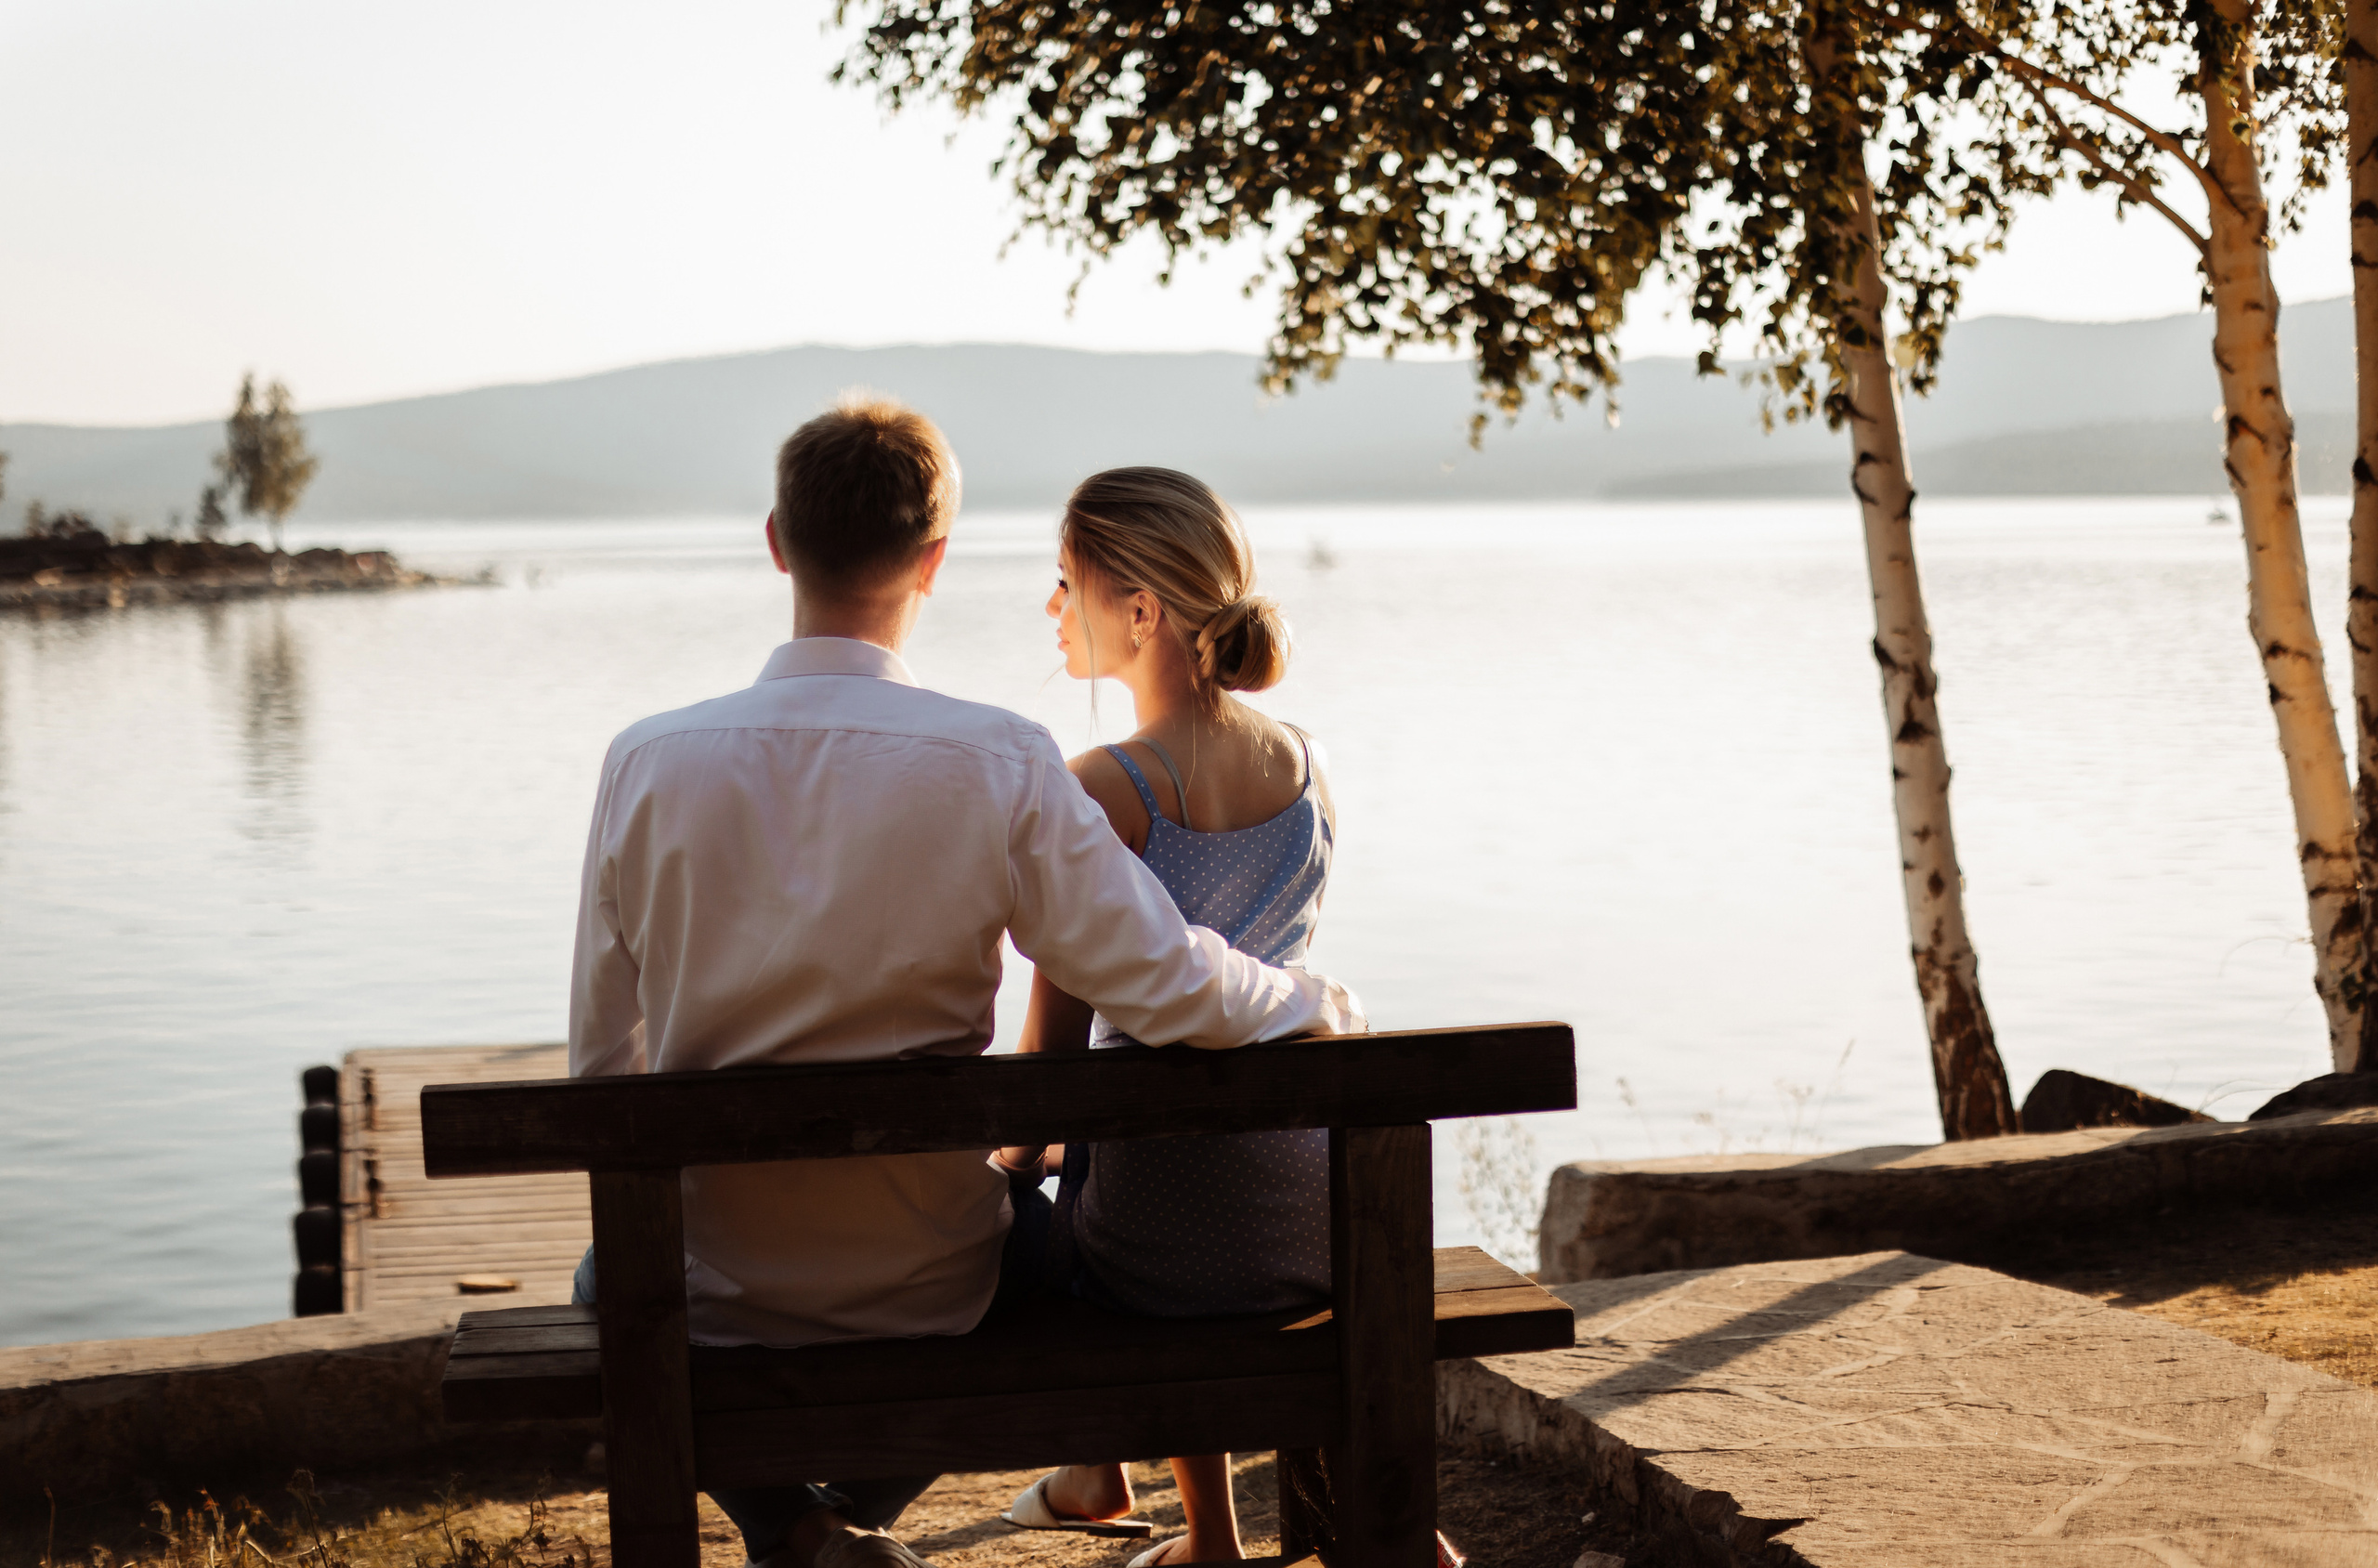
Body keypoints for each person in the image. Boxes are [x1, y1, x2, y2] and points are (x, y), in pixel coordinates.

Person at [567, 401, 1365, 1568]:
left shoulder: (645, 760)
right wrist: (1310, 1000)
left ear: (779, 540)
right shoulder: (1000, 759)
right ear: (935, 560)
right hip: (936, 1271)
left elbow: (602, 1065)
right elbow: (1164, 983)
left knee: (606, 1277)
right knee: (1043, 1252)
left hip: (712, 1275)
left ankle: (793, 1524)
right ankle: (843, 1520)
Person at [993, 468, 1335, 1567]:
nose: (1051, 608)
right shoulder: (1306, 766)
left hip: (1164, 1242)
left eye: (1064, 584)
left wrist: (1003, 1163)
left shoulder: (1103, 787)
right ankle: (1113, 1476)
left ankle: (1205, 1534)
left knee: (1075, 1197)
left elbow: (1050, 1065)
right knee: (1172, 1165)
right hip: (1320, 1210)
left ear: (1140, 611)